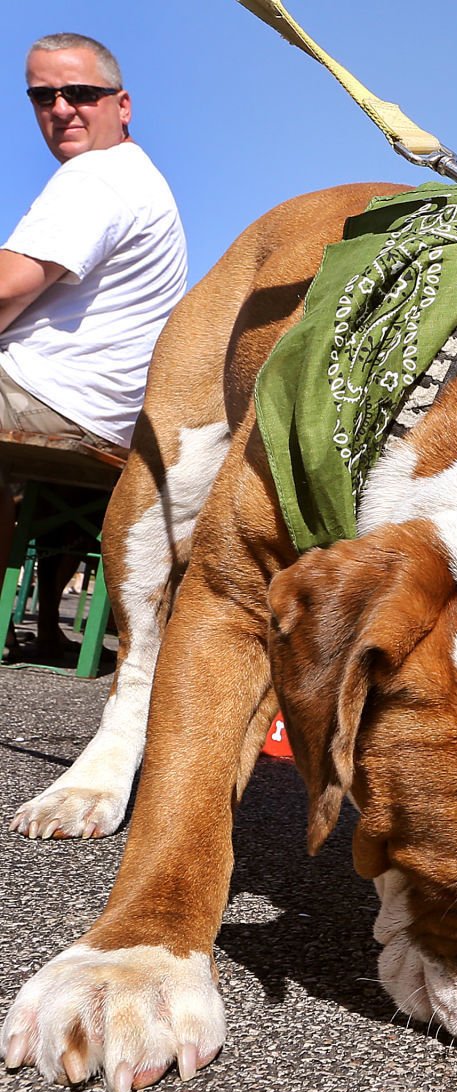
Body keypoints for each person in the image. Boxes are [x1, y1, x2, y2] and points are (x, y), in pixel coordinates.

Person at [0, 33, 186, 659]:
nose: (61, 108)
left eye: (79, 92)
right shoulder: (140, 179)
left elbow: (7, 289)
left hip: (48, 395)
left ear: (121, 104)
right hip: (103, 414)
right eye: (43, 95)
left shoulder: (97, 176)